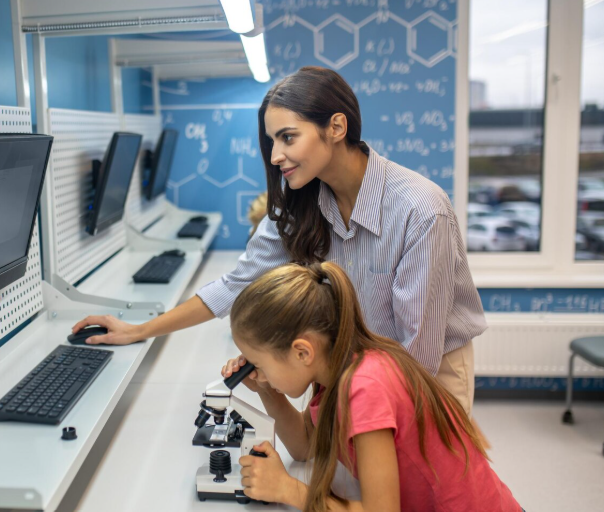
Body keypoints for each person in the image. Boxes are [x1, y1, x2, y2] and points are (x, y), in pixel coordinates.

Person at [72, 66, 487, 415]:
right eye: (272, 141)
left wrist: (358, 415)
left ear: (336, 127)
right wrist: (139, 331)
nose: (274, 155)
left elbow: (418, 352)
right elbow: (236, 285)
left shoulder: (420, 209)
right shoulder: (301, 198)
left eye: (288, 137)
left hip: (423, 375)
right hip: (349, 367)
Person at [219, 261, 520, 511]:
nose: (255, 370)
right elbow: (304, 446)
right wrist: (265, 388)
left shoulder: (365, 387)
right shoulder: (339, 368)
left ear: (302, 352)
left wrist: (289, 490)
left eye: (258, 363)